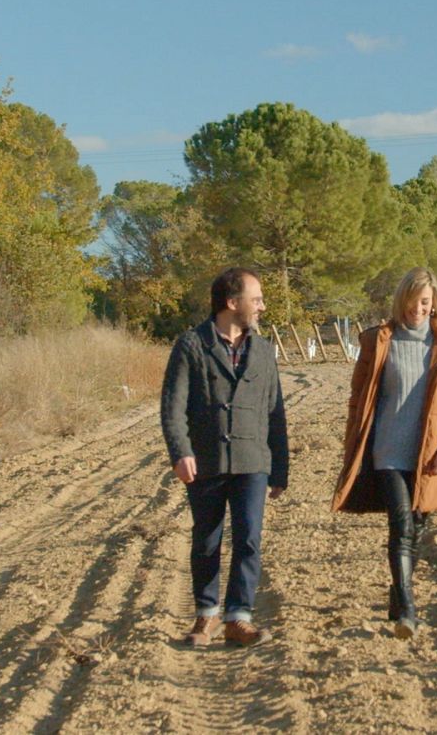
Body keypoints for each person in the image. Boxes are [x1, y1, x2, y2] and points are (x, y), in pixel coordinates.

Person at [331, 266, 437, 638]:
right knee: (401, 524)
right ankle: (408, 608)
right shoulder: (378, 341)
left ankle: (397, 594)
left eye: (425, 302)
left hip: (427, 454)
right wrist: (354, 449)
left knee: (418, 528)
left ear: (433, 303)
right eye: (412, 302)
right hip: (387, 450)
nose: (418, 310)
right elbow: (358, 399)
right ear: (401, 302)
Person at [161, 267, 289, 648]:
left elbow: (275, 412)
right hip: (207, 460)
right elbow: (172, 408)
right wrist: (180, 452)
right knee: (207, 539)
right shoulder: (190, 346)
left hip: (253, 461)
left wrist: (279, 468)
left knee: (248, 537)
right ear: (232, 303)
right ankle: (206, 614)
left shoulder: (264, 351)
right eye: (257, 299)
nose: (262, 306)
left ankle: (239, 617)